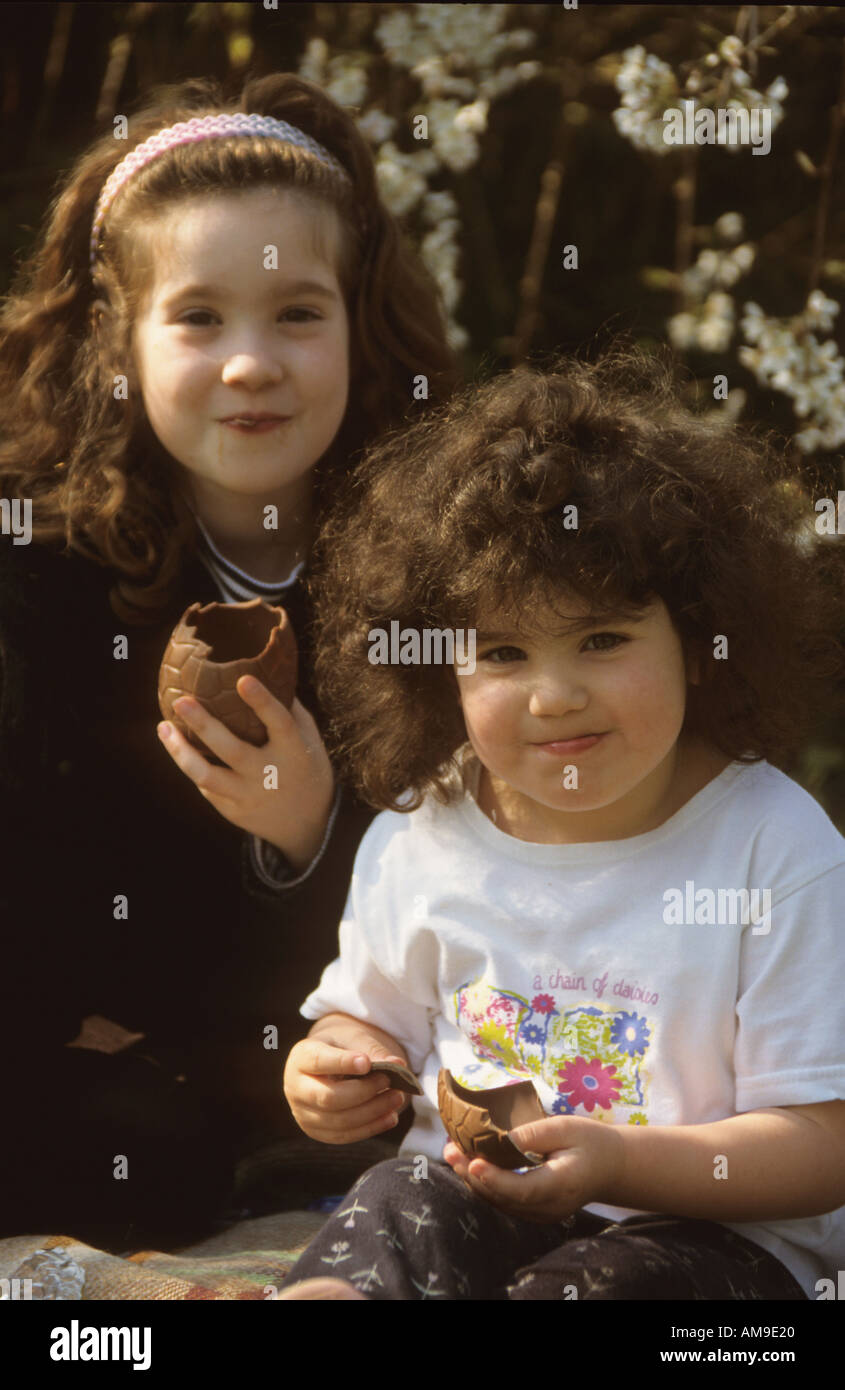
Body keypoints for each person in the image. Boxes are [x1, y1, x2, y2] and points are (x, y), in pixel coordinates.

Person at [0, 70, 462, 1252]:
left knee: (168, 1152)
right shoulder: (48, 574)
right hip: (82, 1049)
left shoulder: (435, 574)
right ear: (122, 335)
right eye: (198, 318)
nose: (250, 363)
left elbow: (481, 890)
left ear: (358, 324)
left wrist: (302, 835)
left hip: (304, 1071)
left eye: (297, 314)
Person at [279, 346, 845, 1300]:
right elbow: (362, 1020)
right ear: (436, 674)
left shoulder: (773, 848)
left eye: (601, 639)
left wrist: (621, 1164)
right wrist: (332, 1070)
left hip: (710, 1243)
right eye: (501, 650)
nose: (553, 696)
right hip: (469, 1207)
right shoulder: (427, 831)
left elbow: (821, 1147)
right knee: (389, 1197)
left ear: (701, 641)